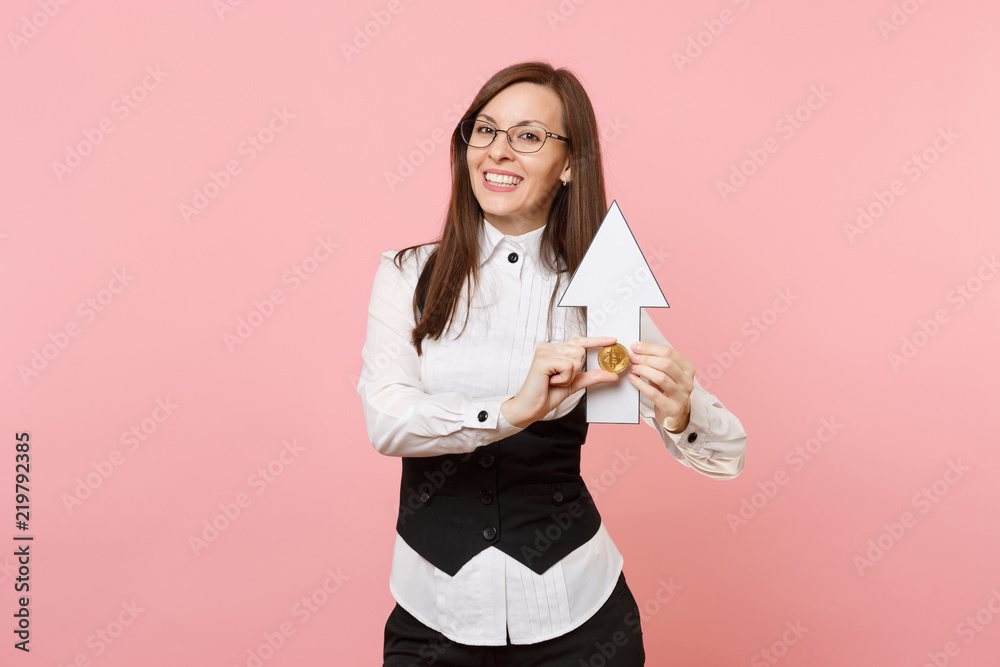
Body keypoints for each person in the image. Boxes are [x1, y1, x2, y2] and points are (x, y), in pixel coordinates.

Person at [357, 61, 747, 666]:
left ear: (569, 164)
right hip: (433, 613)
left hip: (579, 619)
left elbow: (728, 455)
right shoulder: (408, 275)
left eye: (529, 136)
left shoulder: (599, 294)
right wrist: (514, 411)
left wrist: (681, 409)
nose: (498, 151)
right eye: (484, 130)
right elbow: (387, 421)